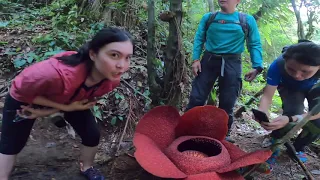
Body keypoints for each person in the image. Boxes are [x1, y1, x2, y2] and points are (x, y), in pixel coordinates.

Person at [0, 27, 134, 180]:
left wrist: (52, 111)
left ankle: (87, 167)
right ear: (93, 54)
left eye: (127, 58)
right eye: (114, 55)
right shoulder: (50, 74)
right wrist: (61, 108)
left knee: (91, 134)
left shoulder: (111, 81)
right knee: (11, 143)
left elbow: (81, 101)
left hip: (72, 100)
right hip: (27, 98)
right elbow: (21, 91)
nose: (121, 65)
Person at [186, 0, 264, 141]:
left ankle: (222, 134)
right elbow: (199, 38)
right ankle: (186, 127)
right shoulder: (209, 17)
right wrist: (196, 59)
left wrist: (257, 65)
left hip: (232, 63)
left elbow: (254, 43)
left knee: (228, 101)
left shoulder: (246, 20)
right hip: (209, 61)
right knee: (197, 97)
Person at [256, 42, 320, 168]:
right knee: (293, 110)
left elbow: (317, 112)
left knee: (318, 123)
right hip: (291, 88)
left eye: (305, 71)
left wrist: (292, 119)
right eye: (291, 69)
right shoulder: (277, 65)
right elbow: (268, 95)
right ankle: (275, 142)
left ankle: (297, 148)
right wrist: (262, 111)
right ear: (285, 61)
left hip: (316, 88)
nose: (297, 75)